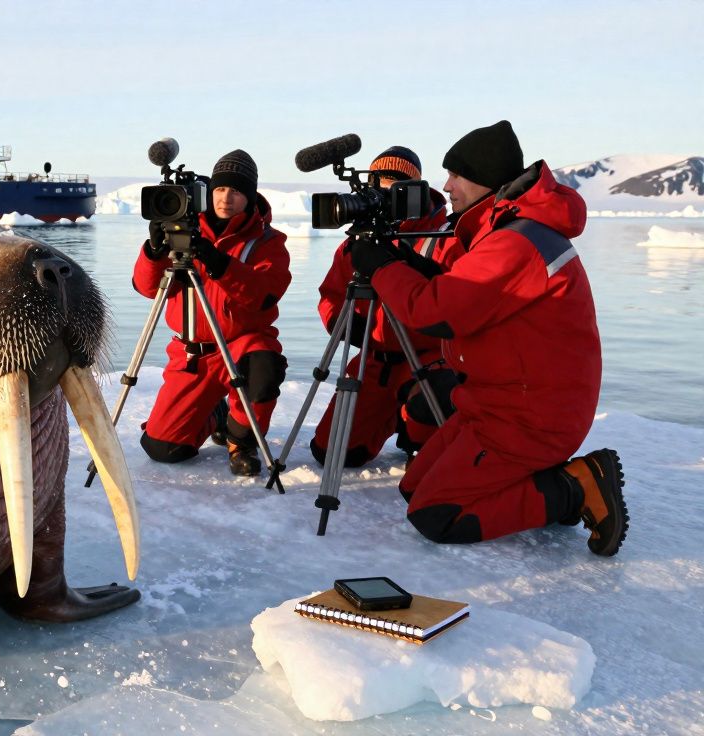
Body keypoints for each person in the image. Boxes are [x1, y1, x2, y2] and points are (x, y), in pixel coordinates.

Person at [350, 120, 629, 555]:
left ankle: (575, 488)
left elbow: (437, 314)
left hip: (530, 414)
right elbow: (464, 292)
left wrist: (382, 268)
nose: (447, 186)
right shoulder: (506, 230)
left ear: (486, 179)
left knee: (436, 514)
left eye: (456, 175)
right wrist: (401, 261)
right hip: (497, 402)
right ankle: (537, 480)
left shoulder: (516, 242)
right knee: (413, 487)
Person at [132, 150, 291, 476]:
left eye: (236, 191)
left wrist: (218, 262)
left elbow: (263, 294)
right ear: (210, 191)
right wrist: (154, 252)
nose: (226, 198)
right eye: (220, 189)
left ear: (249, 196)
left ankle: (240, 440)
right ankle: (217, 414)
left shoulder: (266, 241)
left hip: (241, 345)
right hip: (193, 355)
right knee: (163, 448)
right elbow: (148, 289)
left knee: (264, 366)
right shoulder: (185, 231)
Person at [310, 146, 459, 468]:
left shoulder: (444, 237)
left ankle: (415, 429)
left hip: (428, 359)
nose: (385, 191)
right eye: (379, 181)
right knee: (333, 454)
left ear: (415, 189)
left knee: (437, 400)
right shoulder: (357, 242)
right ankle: (393, 416)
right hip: (374, 362)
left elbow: (457, 302)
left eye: (396, 182)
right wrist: (346, 327)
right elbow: (331, 294)